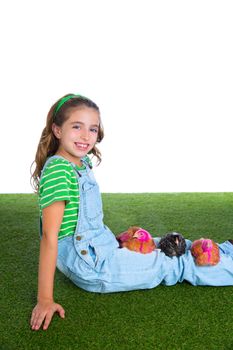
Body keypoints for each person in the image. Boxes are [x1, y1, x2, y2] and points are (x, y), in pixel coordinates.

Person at [30, 93, 233, 331]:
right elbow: (50, 237)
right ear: (57, 130)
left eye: (93, 129)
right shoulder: (58, 170)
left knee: (171, 245)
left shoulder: (80, 163)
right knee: (172, 264)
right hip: (92, 265)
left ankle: (226, 250)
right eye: (77, 127)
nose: (86, 136)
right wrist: (44, 299)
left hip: (101, 247)